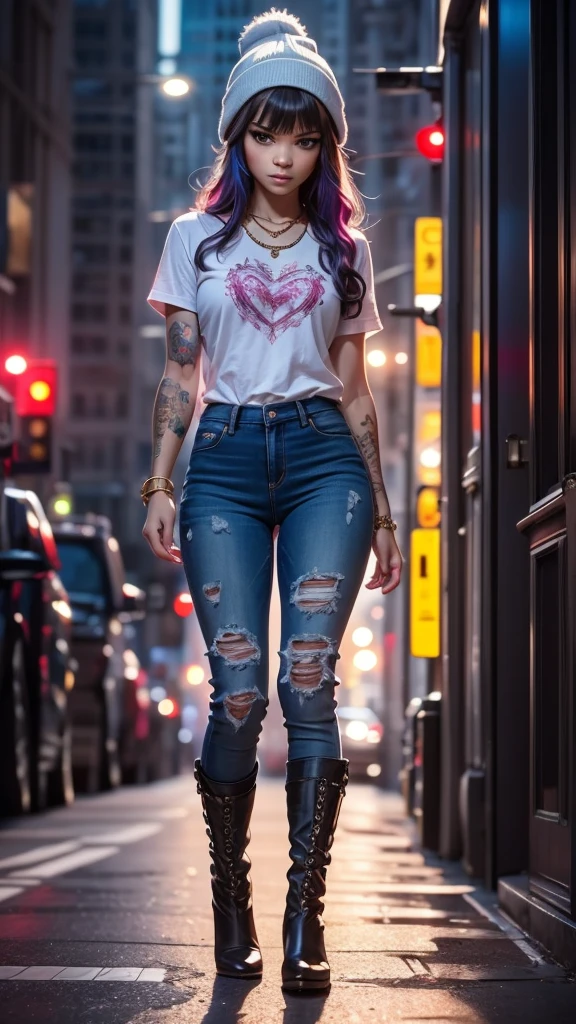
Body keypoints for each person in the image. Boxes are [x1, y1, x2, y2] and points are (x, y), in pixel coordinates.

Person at [143, 8, 402, 993]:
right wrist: (161, 482)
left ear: (325, 141)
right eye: (266, 131)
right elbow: (178, 376)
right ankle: (231, 903)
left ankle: (305, 914)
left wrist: (381, 510)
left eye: (304, 135)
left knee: (309, 680)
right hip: (221, 461)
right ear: (236, 134)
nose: (284, 154)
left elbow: (359, 390)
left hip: (325, 457)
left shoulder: (347, 254)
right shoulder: (194, 244)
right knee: (241, 690)